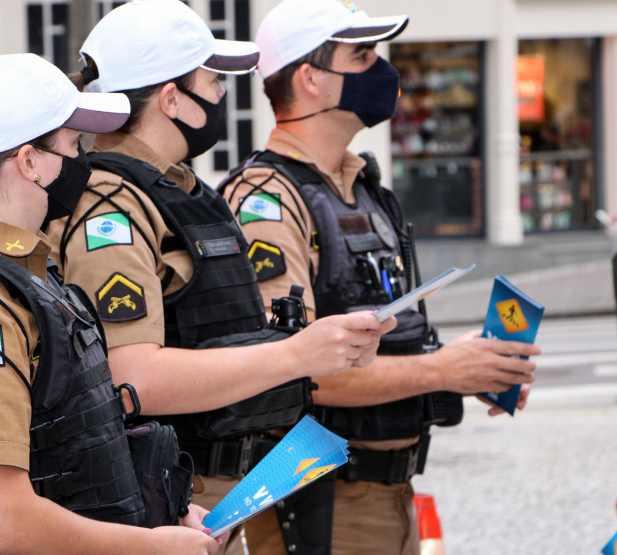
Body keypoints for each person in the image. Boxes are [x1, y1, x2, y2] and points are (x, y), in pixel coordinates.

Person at [46, 2, 395, 553]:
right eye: (212, 81)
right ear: (170, 99)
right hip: (166, 503)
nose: (223, 96)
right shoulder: (109, 208)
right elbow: (131, 378)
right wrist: (296, 355)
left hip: (223, 494)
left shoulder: (179, 190)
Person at [219, 1, 541, 553]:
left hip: (392, 496)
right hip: (320, 505)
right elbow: (293, 371)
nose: (382, 70)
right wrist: (441, 370)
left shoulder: (366, 190)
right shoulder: (265, 202)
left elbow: (392, 338)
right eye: (363, 55)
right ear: (312, 79)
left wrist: (470, 368)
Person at [0, 53, 224, 555]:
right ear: (30, 162)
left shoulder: (28, 276)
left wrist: (168, 512)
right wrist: (150, 548)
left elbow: (78, 450)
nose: (85, 160)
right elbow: (4, 519)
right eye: (73, 144)